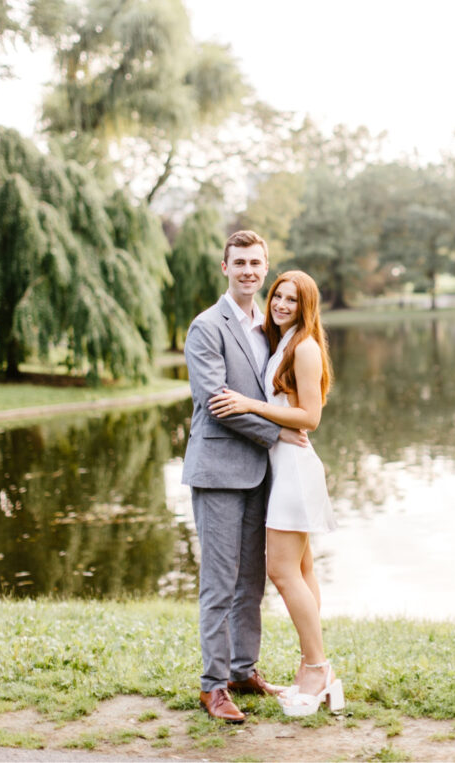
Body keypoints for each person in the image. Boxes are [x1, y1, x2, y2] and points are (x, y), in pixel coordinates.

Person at [182, 230, 309, 723]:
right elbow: (217, 404)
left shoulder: (268, 327)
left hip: (260, 474)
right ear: (225, 267)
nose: (249, 271)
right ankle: (213, 687)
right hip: (218, 470)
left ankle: (242, 670)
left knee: (251, 582)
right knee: (218, 583)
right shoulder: (206, 327)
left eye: (257, 263)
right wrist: (277, 435)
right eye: (240, 263)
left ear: (266, 265)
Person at [208, 269, 343, 717]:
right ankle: (314, 667)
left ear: (307, 306)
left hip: (294, 473)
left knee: (282, 573)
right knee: (302, 571)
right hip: (280, 466)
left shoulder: (304, 347)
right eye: (278, 296)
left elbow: (310, 416)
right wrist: (271, 427)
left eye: (292, 299)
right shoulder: (280, 341)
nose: (282, 304)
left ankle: (317, 669)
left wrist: (249, 405)